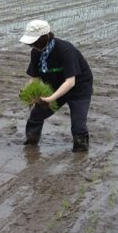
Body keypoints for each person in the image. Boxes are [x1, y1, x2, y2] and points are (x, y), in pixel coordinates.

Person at [19, 19, 94, 151]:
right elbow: (35, 78)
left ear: (46, 36)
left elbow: (70, 82)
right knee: (36, 114)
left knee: (78, 126)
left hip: (79, 89)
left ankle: (80, 152)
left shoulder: (65, 50)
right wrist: (25, 90)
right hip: (55, 87)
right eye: (31, 43)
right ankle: (31, 143)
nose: (33, 45)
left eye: (35, 42)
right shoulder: (36, 52)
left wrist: (50, 99)